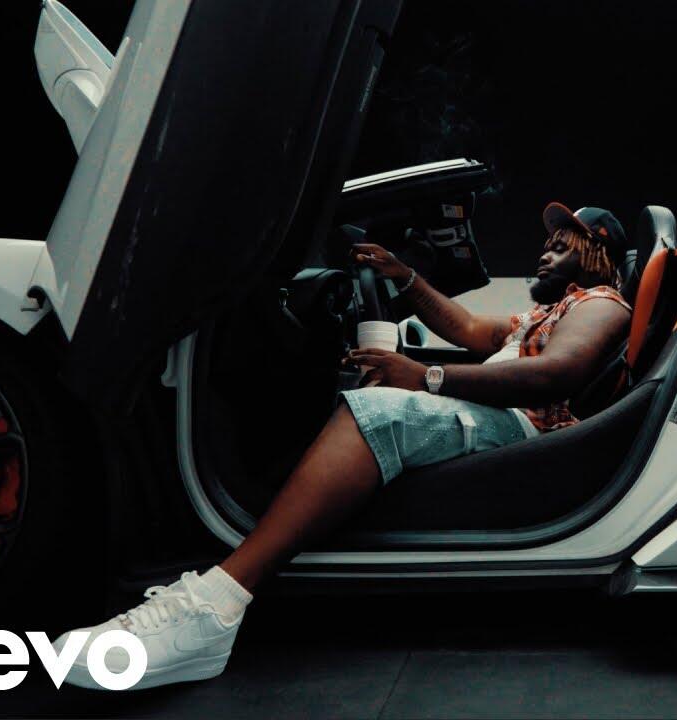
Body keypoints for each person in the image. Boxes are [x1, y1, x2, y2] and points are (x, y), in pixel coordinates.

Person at [55, 202, 633, 690]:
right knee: (360, 395)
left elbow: (555, 375)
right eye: (547, 244)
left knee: (378, 411)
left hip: (525, 427)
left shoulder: (601, 303)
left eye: (561, 246)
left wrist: (426, 378)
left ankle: (214, 607)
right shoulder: (543, 313)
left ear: (597, 253)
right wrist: (405, 277)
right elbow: (467, 330)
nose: (544, 253)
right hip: (493, 415)